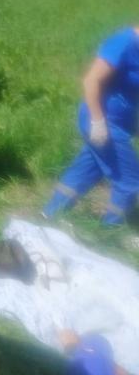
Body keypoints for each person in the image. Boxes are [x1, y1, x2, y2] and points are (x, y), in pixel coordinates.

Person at [43, 26, 139, 231]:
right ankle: (111, 230)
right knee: (130, 182)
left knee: (87, 170)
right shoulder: (123, 42)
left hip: (119, 124)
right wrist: (98, 123)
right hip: (102, 120)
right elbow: (91, 80)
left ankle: (50, 213)